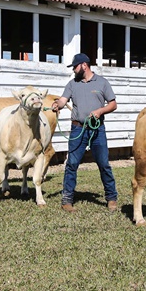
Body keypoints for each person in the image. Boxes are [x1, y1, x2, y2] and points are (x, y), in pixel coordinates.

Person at [52, 53, 119, 212]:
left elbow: (113, 104)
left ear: (83, 65)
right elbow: (63, 100)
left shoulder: (102, 83)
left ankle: (111, 198)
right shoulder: (72, 84)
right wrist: (57, 104)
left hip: (97, 130)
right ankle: (67, 200)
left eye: (75, 67)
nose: (73, 70)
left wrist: (100, 111)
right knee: (72, 164)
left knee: (103, 164)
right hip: (78, 129)